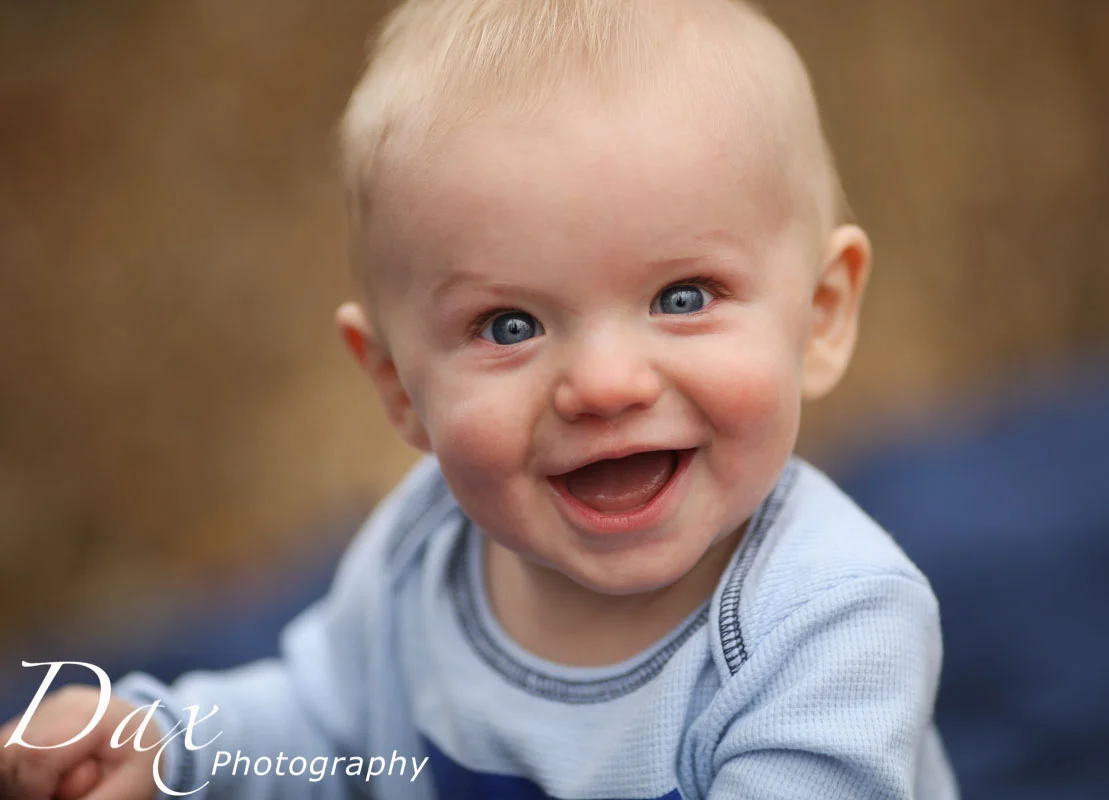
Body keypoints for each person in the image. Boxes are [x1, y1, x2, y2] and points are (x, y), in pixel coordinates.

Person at [0, 0, 957, 797]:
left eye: (682, 298)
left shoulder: (830, 625)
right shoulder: (423, 554)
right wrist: (174, 746)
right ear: (397, 386)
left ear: (821, 316)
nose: (605, 385)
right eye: (509, 326)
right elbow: (325, 728)